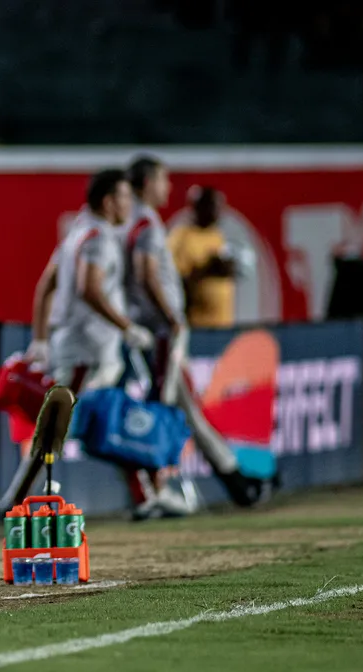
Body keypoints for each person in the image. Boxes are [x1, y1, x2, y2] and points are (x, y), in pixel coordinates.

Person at [125, 157, 269, 512]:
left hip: (155, 329)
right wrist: (171, 318)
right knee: (169, 409)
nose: (167, 187)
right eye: (162, 180)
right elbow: (147, 276)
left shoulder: (141, 221)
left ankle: (225, 480)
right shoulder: (146, 223)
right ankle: (164, 489)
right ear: (147, 183)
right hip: (161, 330)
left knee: (176, 407)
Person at [20, 169, 154, 508]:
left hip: (93, 349)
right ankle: (15, 496)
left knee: (118, 418)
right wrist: (127, 327)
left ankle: (145, 496)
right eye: (125, 196)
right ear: (109, 201)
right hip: (87, 352)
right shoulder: (97, 238)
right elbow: (88, 288)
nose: (130, 204)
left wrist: (40, 337)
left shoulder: (78, 233)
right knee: (56, 428)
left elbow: (46, 285)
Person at [169, 186, 237, 329]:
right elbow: (175, 279)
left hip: (223, 322)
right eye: (214, 206)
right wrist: (207, 269)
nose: (219, 212)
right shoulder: (183, 236)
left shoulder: (217, 235)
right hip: (197, 323)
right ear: (201, 207)